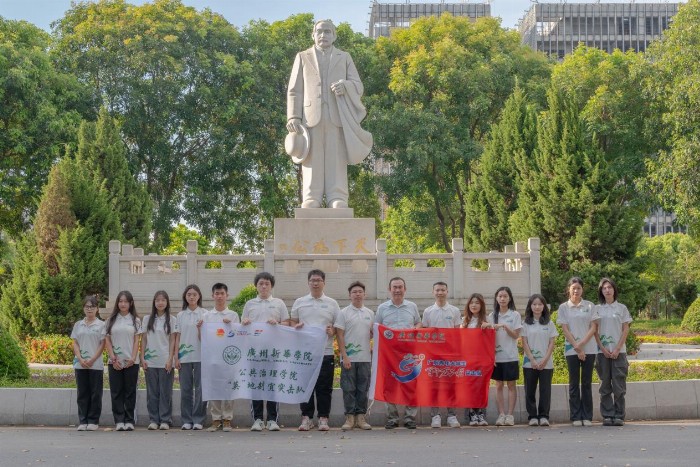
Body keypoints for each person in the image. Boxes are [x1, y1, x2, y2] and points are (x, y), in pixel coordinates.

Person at [286, 19, 369, 209]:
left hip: (336, 116)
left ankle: (337, 196)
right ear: (313, 35)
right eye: (320, 31)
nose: (323, 35)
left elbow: (358, 85)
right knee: (311, 157)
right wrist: (293, 116)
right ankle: (311, 196)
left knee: (336, 156)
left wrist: (345, 86)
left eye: (328, 32)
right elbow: (294, 90)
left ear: (334, 35)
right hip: (309, 117)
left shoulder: (344, 57)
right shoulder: (302, 56)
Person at [290, 269, 340, 431]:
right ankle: (306, 418)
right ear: (308, 283)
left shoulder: (332, 303)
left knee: (324, 387)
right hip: (304, 353)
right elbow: (292, 323)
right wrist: (296, 327)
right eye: (312, 280)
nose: (315, 283)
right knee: (305, 386)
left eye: (318, 280)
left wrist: (332, 331)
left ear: (324, 282)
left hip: (325, 351)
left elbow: (337, 328)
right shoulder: (300, 302)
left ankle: (323, 418)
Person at [241, 272, 290, 432]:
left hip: (273, 352)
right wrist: (245, 323)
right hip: (254, 352)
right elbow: (242, 326)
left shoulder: (279, 303)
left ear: (271, 286)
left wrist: (278, 323)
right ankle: (257, 419)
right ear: (256, 286)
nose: (263, 286)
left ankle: (271, 419)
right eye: (261, 283)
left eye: (267, 283)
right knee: (255, 385)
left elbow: (287, 324)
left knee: (272, 385)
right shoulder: (250, 304)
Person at [374, 277, 422, 429]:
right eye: (394, 287)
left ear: (405, 289)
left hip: (409, 352)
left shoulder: (412, 306)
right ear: (389, 289)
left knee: (411, 383)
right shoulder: (382, 308)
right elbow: (377, 328)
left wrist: (417, 328)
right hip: (390, 354)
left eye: (400, 287)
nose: (397, 290)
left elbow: (418, 322)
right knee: (390, 384)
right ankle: (392, 418)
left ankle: (410, 418)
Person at [557, 277, 597, 427]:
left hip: (590, 349)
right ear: (569, 289)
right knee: (574, 383)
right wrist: (577, 347)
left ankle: (587, 415)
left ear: (582, 290)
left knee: (586, 383)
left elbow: (593, 328)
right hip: (571, 350)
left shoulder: (590, 306)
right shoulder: (563, 308)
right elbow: (565, 329)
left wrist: (582, 344)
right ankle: (575, 416)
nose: (576, 291)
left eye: (579, 288)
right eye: (573, 288)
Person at [335, 281, 374, 431]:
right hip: (349, 358)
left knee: (363, 388)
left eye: (360, 291)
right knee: (348, 388)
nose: (357, 294)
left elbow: (372, 334)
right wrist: (344, 356)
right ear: (349, 295)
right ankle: (349, 418)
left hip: (365, 357)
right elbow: (340, 336)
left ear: (365, 294)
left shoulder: (370, 313)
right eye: (354, 292)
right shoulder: (343, 313)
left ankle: (361, 418)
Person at [594, 278, 633, 427]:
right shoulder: (597, 309)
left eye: (609, 287)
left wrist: (617, 349)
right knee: (604, 385)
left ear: (614, 290)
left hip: (619, 352)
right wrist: (603, 349)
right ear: (601, 291)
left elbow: (625, 329)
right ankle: (607, 415)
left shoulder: (621, 308)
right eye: (604, 288)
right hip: (602, 352)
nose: (607, 290)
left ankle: (619, 415)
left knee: (619, 386)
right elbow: (595, 331)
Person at [422, 281, 462, 429]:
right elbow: (425, 334)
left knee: (451, 385)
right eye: (437, 290)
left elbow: (458, 334)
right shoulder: (427, 312)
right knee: (434, 386)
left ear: (447, 291)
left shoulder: (455, 311)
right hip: (433, 356)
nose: (440, 292)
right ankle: (435, 416)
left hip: (450, 355)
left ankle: (452, 416)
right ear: (433, 292)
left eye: (443, 290)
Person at [103, 290, 142, 431]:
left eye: (126, 301)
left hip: (132, 362)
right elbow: (107, 339)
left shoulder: (135, 320)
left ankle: (129, 420)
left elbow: (137, 339)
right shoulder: (110, 320)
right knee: (116, 391)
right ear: (117, 303)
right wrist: (113, 358)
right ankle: (119, 420)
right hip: (115, 362)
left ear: (130, 303)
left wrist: (133, 358)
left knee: (130, 391)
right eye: (120, 301)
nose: (123, 304)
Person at [205, 283, 240, 432]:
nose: (219, 296)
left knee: (229, 388)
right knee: (214, 387)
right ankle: (215, 419)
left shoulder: (233, 315)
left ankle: (227, 419)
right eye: (217, 293)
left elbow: (238, 336)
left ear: (227, 295)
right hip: (212, 357)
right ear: (212, 296)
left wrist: (231, 325)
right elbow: (203, 338)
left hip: (229, 357)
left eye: (222, 293)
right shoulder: (207, 316)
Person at [141, 290, 178, 430]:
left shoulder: (172, 320)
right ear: (154, 302)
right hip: (150, 361)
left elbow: (173, 341)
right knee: (152, 392)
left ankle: (165, 420)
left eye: (163, 300)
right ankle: (154, 419)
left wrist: (170, 359)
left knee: (165, 391)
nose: (160, 303)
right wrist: (142, 357)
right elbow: (143, 339)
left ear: (167, 302)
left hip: (165, 361)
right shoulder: (147, 319)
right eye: (157, 300)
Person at [521, 294, 558, 427]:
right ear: (530, 306)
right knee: (529, 390)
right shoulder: (525, 323)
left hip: (546, 363)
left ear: (544, 306)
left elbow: (551, 343)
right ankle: (532, 416)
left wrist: (544, 360)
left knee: (545, 390)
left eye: (540, 304)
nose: (537, 307)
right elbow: (524, 342)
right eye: (534, 304)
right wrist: (532, 359)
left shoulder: (549, 323)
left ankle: (543, 416)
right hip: (529, 362)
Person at [488, 286, 522, 426]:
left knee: (512, 384)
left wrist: (505, 327)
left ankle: (510, 415)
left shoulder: (515, 315)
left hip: (511, 355)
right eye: (500, 296)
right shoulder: (491, 316)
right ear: (496, 298)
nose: (502, 299)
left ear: (509, 298)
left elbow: (516, 335)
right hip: (497, 357)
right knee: (499, 385)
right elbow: (487, 339)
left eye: (505, 296)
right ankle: (501, 414)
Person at [71, 295, 105, 431]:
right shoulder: (78, 324)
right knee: (82, 393)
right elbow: (75, 342)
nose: (89, 309)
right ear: (83, 308)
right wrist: (80, 358)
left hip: (95, 364)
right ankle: (83, 420)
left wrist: (92, 359)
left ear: (97, 309)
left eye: (92, 307)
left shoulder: (101, 325)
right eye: (87, 306)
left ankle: (93, 420)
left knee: (95, 393)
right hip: (80, 364)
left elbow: (103, 344)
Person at [175, 284, 207, 430]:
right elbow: (177, 338)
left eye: (194, 294)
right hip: (185, 357)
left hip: (201, 356)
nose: (192, 297)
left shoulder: (206, 314)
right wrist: (176, 357)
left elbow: (208, 337)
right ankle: (187, 420)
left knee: (201, 389)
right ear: (185, 297)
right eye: (189, 294)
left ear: (199, 296)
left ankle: (198, 419)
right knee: (186, 389)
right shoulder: (181, 315)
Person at [461, 293, 490, 427]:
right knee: (470, 387)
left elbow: (490, 341)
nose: (474, 305)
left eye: (477, 302)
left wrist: (487, 327)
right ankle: (472, 414)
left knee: (481, 386)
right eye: (472, 302)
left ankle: (481, 414)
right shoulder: (464, 321)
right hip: (468, 359)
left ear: (482, 305)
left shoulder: (487, 320)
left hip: (482, 359)